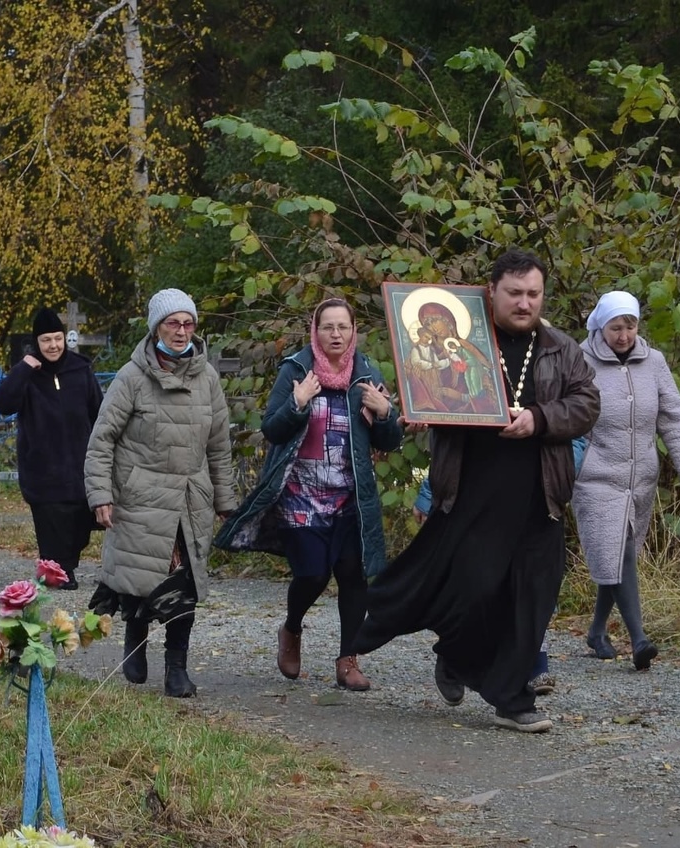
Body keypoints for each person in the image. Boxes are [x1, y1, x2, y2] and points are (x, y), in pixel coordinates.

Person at [353, 248, 600, 733]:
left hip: (538, 495)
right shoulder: (461, 339)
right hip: (472, 489)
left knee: (535, 596)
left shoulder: (560, 348)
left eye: (533, 294)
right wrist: (418, 406)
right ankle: (457, 655)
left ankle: (511, 697)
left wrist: (540, 417)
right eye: (515, 293)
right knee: (473, 589)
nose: (525, 303)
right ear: (492, 292)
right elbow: (428, 385)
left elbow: (587, 402)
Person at [215, 298, 403, 691]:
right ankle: (291, 628)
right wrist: (298, 403)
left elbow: (391, 440)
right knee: (313, 574)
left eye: (343, 327)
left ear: (354, 332)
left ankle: (348, 660)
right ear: (314, 331)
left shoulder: (367, 373)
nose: (336, 335)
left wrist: (385, 412)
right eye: (328, 327)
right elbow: (272, 429)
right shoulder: (296, 370)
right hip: (300, 496)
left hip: (350, 497)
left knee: (353, 576)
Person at [84, 289, 237, 698]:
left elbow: (219, 446)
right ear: (156, 328)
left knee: (184, 585)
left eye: (188, 323)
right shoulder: (131, 378)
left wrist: (226, 501)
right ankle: (134, 643)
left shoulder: (207, 379)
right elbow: (102, 440)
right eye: (173, 323)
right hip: (139, 496)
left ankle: (177, 669)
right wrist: (101, 495)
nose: (181, 331)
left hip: (189, 498)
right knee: (141, 580)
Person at [573, 291, 680, 670]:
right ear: (601, 326)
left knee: (616, 556)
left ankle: (597, 631)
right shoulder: (580, 361)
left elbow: (674, 418)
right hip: (595, 476)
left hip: (641, 479)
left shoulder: (654, 362)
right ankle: (639, 639)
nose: (624, 335)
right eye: (616, 327)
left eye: (630, 326)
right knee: (620, 552)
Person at [0, 308, 103, 590]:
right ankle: (58, 570)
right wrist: (25, 366)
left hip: (78, 463)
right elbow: (4, 403)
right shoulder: (27, 375)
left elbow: (99, 412)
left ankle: (65, 565)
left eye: (57, 338)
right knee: (51, 521)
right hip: (42, 466)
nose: (53, 346)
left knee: (79, 522)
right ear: (36, 343)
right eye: (46, 340)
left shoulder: (81, 370)